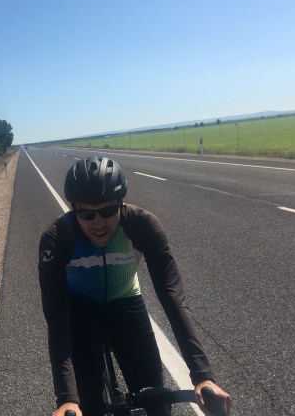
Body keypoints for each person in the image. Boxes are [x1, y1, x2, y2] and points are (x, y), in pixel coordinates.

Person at [38, 156, 231, 416]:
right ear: (74, 210)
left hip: (126, 303)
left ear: (121, 202)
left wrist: (203, 375)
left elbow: (172, 297)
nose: (99, 223)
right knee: (88, 404)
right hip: (80, 311)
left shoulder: (142, 225)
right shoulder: (57, 238)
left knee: (156, 403)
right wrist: (66, 399)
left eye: (108, 211)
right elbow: (57, 320)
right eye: (87, 214)